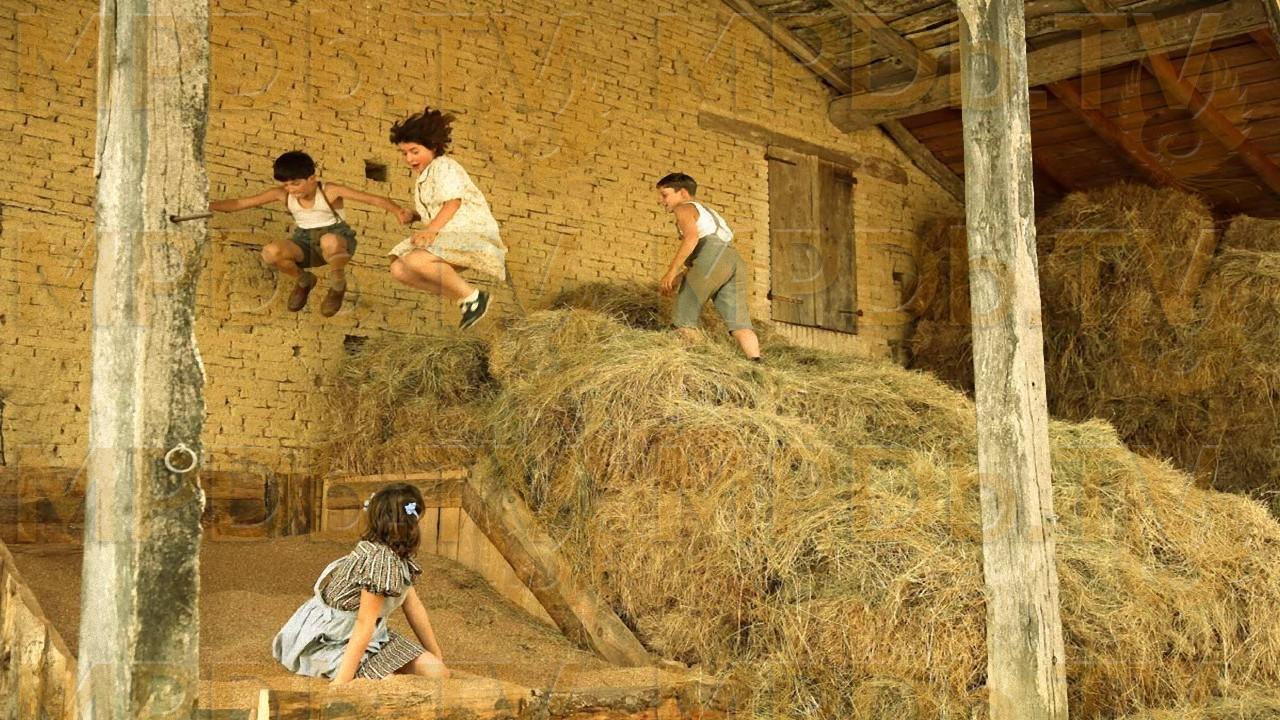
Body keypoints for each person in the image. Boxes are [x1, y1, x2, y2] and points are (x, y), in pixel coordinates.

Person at [272, 483, 449, 684]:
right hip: (331, 639)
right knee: (387, 683)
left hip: (374, 637)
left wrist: (436, 655)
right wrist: (342, 682)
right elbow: (364, 622)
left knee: (437, 671)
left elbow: (413, 607)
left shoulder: (397, 556)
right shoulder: (379, 561)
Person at [210, 151, 415, 316]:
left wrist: (398, 211)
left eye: (296, 183)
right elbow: (240, 203)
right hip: (304, 242)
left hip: (337, 240)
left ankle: (338, 284)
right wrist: (208, 206)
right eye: (286, 184)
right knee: (270, 252)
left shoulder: (329, 191)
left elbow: (373, 199)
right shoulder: (282, 195)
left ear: (312, 178)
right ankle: (304, 280)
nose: (291, 189)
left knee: (329, 240)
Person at [387, 107, 508, 329]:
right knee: (399, 270)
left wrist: (430, 230)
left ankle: (474, 297)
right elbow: (439, 207)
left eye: (414, 151)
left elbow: (453, 202)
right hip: (450, 234)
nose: (409, 158)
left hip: (472, 234)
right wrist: (415, 215)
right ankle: (467, 299)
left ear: (433, 147)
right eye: (404, 153)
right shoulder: (425, 177)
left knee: (415, 260)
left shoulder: (444, 166)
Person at [656, 173, 762, 361]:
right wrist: (681, 277)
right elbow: (707, 261)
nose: (661, 201)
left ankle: (697, 359)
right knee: (740, 323)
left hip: (711, 256)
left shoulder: (684, 208)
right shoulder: (708, 212)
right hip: (732, 259)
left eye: (665, 195)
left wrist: (671, 271)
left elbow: (692, 239)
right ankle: (756, 362)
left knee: (684, 315)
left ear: (683, 193)